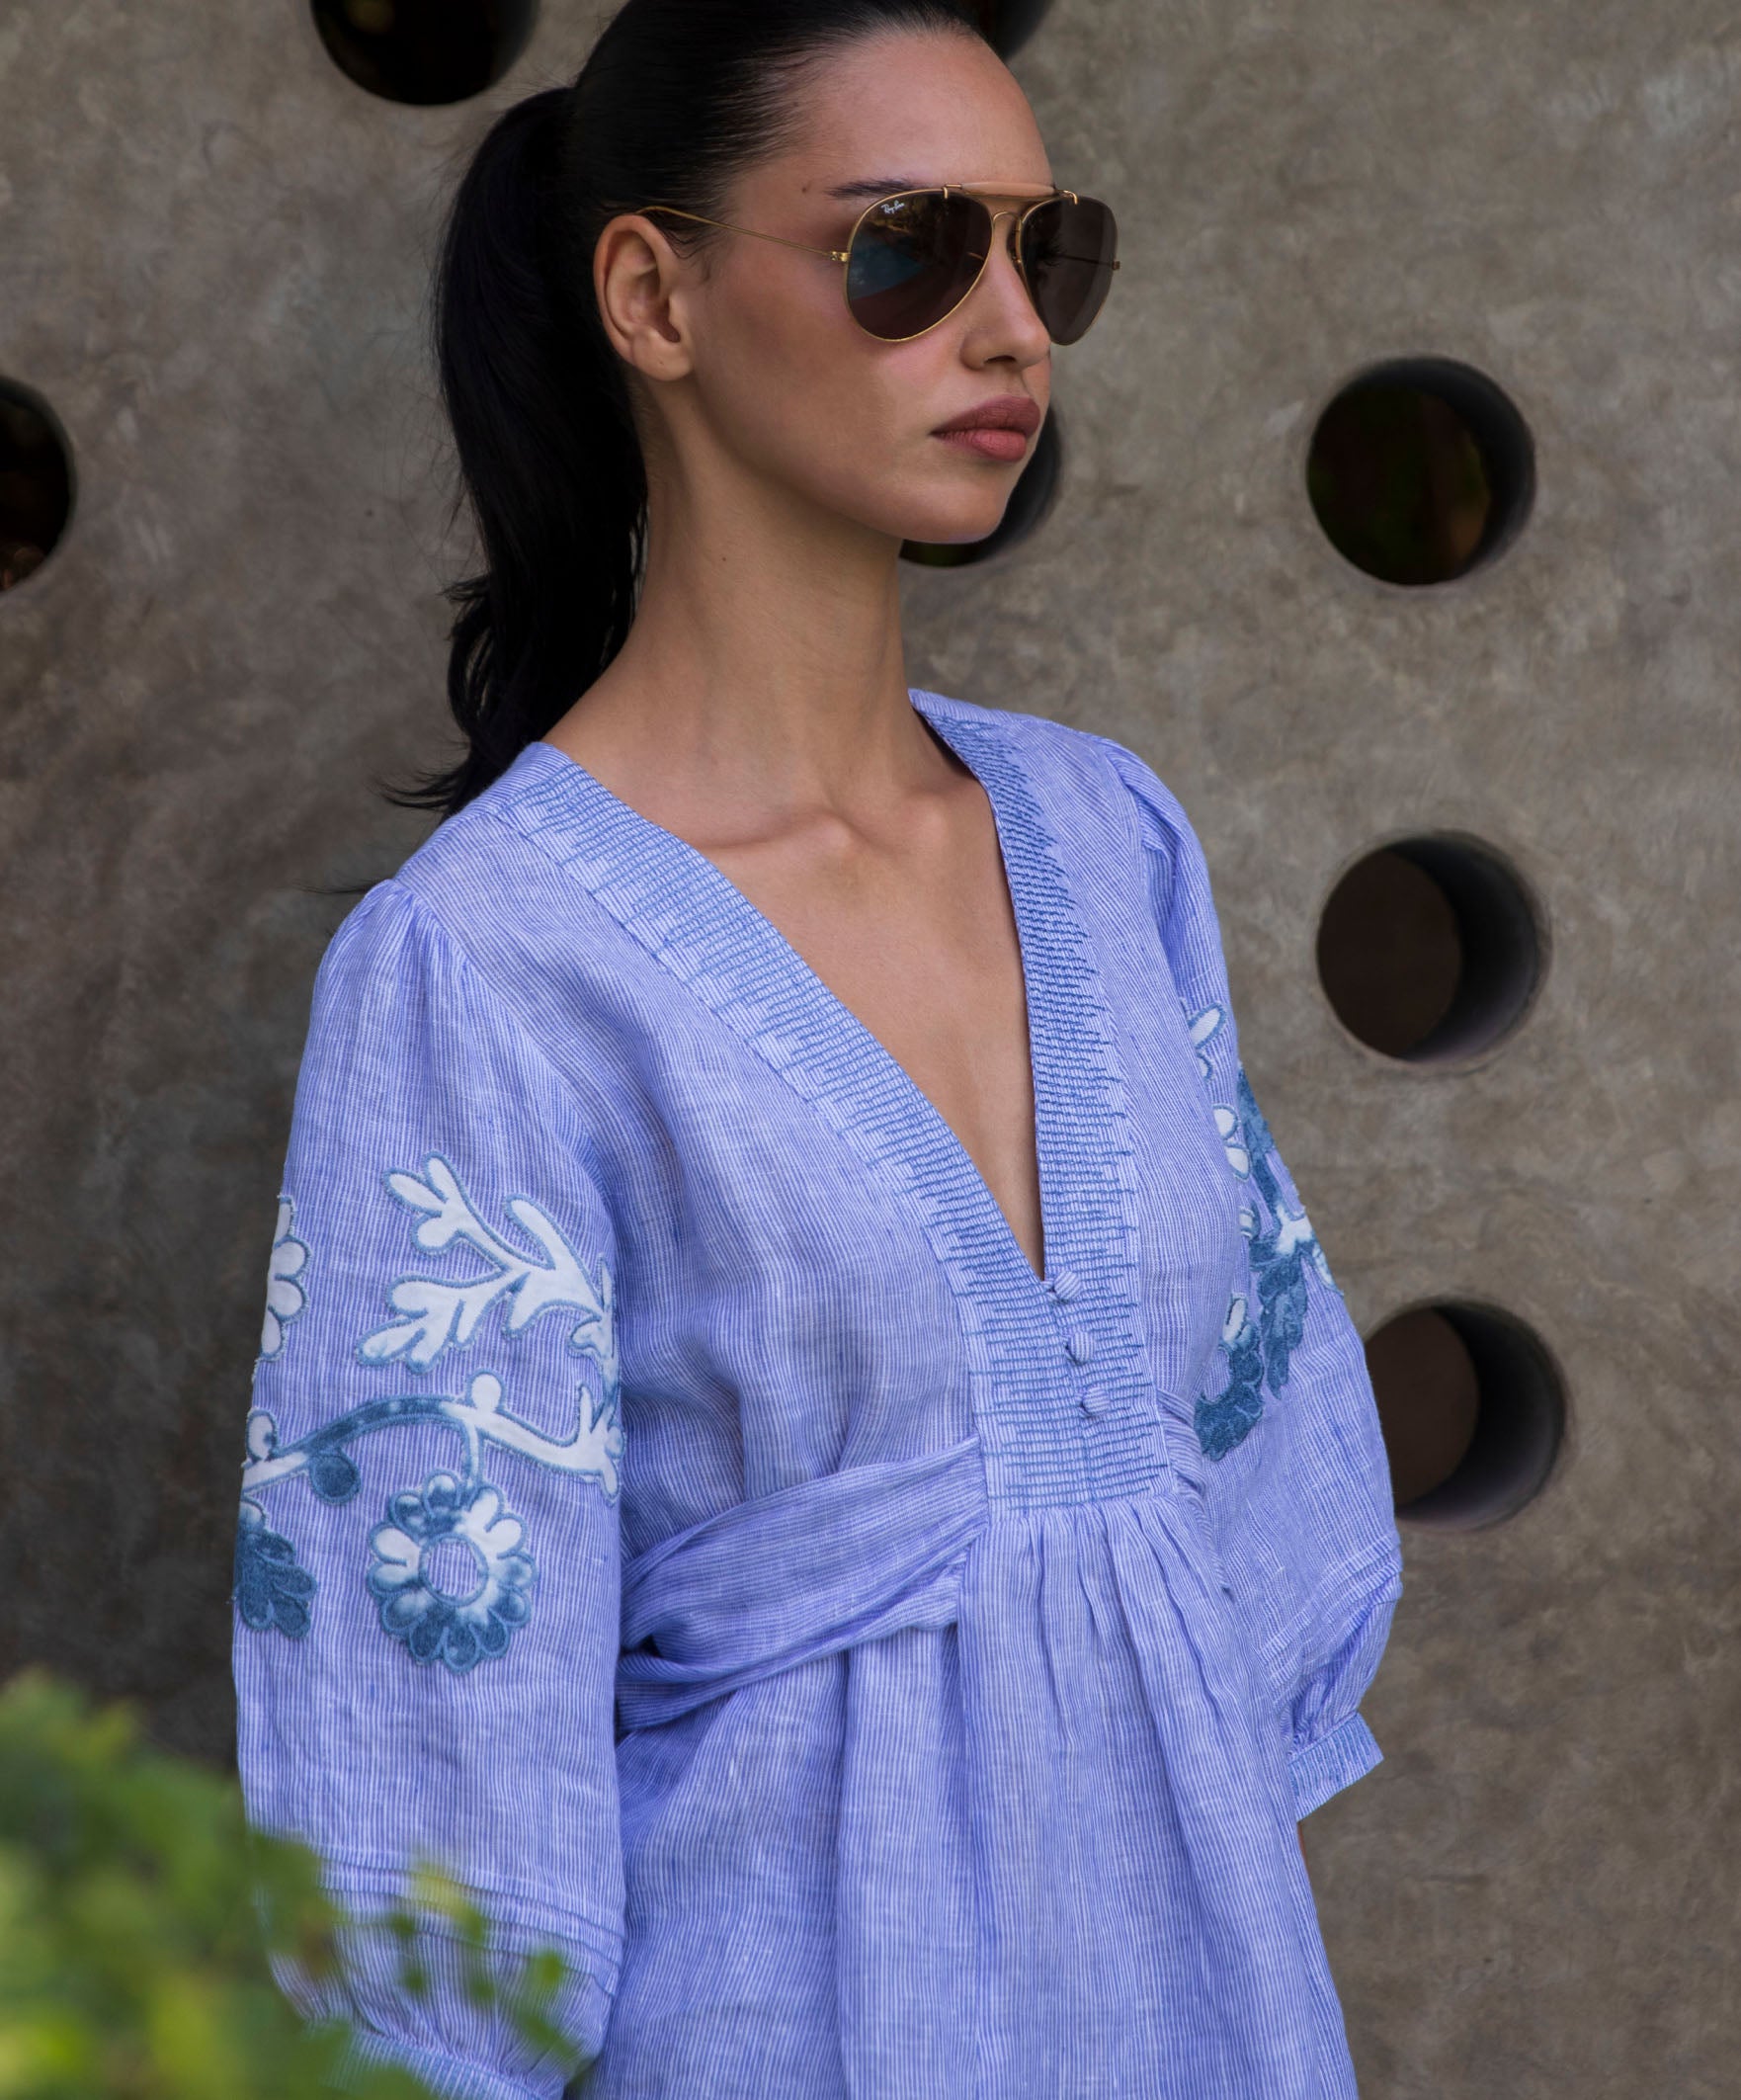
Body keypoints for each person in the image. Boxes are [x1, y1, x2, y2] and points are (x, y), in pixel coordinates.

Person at [230, 2, 1404, 2094]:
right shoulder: (482, 968)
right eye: (904, 248)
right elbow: (425, 1778)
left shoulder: (1105, 836)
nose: (1007, 329)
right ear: (651, 293)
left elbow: (1249, 1538)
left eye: (1047, 257)